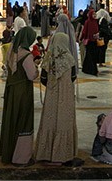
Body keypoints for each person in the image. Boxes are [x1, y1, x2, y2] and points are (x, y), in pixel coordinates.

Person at [35, 32, 79, 166]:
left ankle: (47, 153)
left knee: (50, 120)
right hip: (66, 96)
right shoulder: (70, 59)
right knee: (64, 120)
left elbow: (43, 79)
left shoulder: (48, 58)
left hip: (51, 96)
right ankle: (62, 153)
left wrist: (53, 86)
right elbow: (73, 77)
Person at [0, 26, 39, 166]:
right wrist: (36, 67)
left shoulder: (12, 50)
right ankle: (21, 157)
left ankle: (8, 153)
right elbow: (32, 75)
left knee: (12, 119)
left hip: (11, 90)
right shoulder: (26, 55)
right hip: (22, 92)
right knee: (23, 121)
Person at [79, 8, 100, 76]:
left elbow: (97, 30)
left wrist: (97, 34)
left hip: (94, 41)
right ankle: (91, 69)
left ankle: (89, 68)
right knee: (89, 55)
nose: (94, 15)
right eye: (93, 14)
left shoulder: (95, 22)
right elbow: (84, 31)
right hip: (89, 41)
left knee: (92, 56)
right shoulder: (87, 22)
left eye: (95, 14)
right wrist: (81, 38)